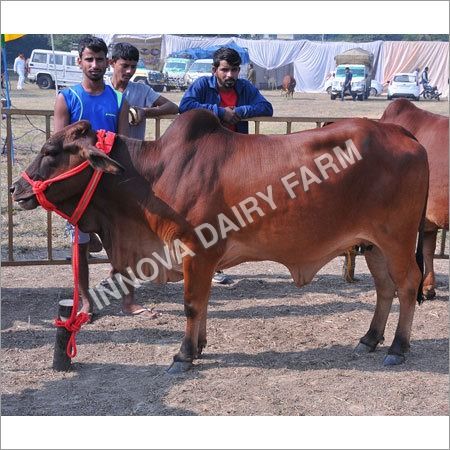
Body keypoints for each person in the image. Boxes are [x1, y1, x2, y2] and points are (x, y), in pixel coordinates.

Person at [53, 36, 155, 319]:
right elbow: (58, 147)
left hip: (110, 187)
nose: (94, 65)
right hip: (79, 188)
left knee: (124, 245)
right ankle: (86, 301)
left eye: (99, 59)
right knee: (81, 247)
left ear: (106, 61)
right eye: (89, 59)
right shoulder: (67, 98)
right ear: (79, 61)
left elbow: (121, 145)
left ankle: (129, 301)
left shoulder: (118, 99)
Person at [179, 47, 273, 283]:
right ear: (214, 70)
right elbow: (185, 105)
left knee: (230, 209)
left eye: (234, 70)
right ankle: (195, 260)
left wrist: (239, 111)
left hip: (235, 158)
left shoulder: (245, 88)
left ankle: (217, 262)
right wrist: (219, 112)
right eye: (225, 70)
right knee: (201, 211)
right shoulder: (202, 85)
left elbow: (266, 108)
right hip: (205, 160)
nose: (230, 75)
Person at [107, 42, 178, 140]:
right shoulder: (102, 89)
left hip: (134, 152)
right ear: (112, 63)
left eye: (133, 67)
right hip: (105, 150)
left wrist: (145, 112)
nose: (129, 71)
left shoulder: (142, 90)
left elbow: (172, 107)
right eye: (125, 66)